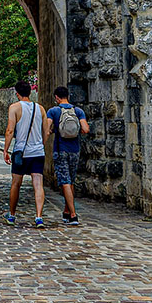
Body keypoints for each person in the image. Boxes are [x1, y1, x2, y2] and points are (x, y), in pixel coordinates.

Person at [3, 79, 48, 227]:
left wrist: (6, 150)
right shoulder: (40, 109)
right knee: (38, 184)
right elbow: (46, 131)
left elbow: (10, 130)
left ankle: (12, 215)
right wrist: (41, 144)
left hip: (20, 152)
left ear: (17, 93)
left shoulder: (14, 108)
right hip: (37, 152)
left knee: (16, 183)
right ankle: (39, 216)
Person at [45, 85, 86, 225]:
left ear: (56, 97)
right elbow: (86, 129)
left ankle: (73, 214)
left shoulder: (53, 111)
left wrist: (47, 135)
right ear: (68, 96)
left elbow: (46, 128)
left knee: (65, 181)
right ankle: (67, 211)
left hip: (60, 149)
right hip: (75, 150)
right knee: (71, 180)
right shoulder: (78, 111)